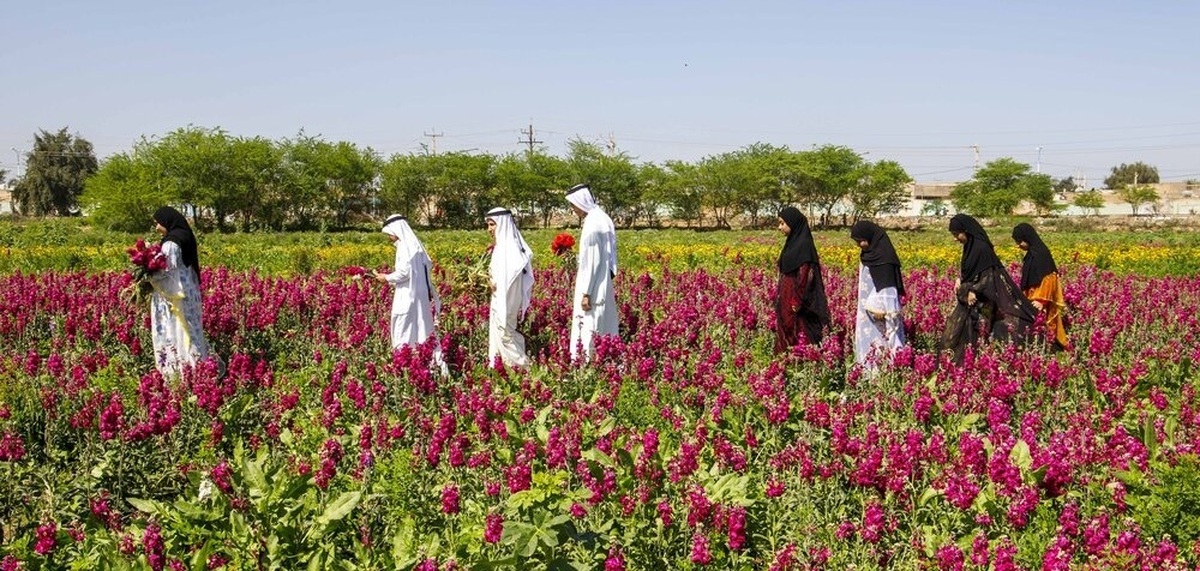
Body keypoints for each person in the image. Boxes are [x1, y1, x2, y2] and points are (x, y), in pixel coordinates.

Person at [940, 214, 1036, 363]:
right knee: (959, 332)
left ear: (966, 231)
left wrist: (975, 290)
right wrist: (960, 279)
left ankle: (976, 362)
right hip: (970, 299)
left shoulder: (981, 247)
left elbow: (988, 274)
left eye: (956, 234)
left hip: (982, 300)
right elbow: (971, 270)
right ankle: (962, 361)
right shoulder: (970, 247)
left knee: (978, 332)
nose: (955, 238)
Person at [149, 207, 219, 378]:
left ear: (167, 222)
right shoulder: (185, 236)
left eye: (158, 223)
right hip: (188, 291)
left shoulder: (171, 243)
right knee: (191, 329)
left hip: (175, 294)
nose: (157, 227)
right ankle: (199, 370)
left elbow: (167, 271)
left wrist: (148, 275)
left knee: (178, 330)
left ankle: (182, 372)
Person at [373, 215, 443, 358]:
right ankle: (428, 363)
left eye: (389, 234)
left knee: (404, 329)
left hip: (408, 296)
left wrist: (385, 277)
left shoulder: (405, 246)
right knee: (422, 329)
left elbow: (404, 273)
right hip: (419, 295)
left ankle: (406, 362)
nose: (389, 237)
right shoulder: (416, 246)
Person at [565, 184, 619, 361]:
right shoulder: (602, 217)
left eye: (573, 205)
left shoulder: (592, 224)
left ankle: (587, 362)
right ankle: (605, 358)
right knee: (604, 321)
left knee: (589, 323)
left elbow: (593, 261)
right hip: (603, 279)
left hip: (593, 284)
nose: (573, 210)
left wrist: (586, 292)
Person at [774, 207, 830, 353]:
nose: (779, 227)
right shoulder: (791, 244)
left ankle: (803, 361)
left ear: (793, 223)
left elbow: (806, 276)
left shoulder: (804, 246)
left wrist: (797, 301)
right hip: (787, 297)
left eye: (782, 223)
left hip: (798, 301)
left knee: (799, 331)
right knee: (786, 328)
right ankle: (786, 362)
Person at [850, 220, 906, 368]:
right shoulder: (868, 254)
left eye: (861, 241)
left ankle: (886, 372)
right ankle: (868, 372)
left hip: (880, 312)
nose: (859, 245)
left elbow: (888, 287)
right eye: (857, 242)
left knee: (883, 342)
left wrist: (882, 308)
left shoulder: (884, 256)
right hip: (866, 310)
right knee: (868, 342)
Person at [485, 208, 533, 368]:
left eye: (492, 224)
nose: (489, 229)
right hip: (500, 298)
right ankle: (502, 368)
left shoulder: (509, 248)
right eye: (489, 225)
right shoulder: (502, 247)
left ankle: (522, 366)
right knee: (503, 333)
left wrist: (494, 284)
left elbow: (510, 279)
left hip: (506, 299)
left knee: (505, 333)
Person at [1012, 223, 1070, 350]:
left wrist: (1041, 300)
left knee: (1046, 324)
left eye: (1020, 241)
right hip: (1031, 296)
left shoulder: (1041, 253)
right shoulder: (1031, 254)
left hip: (1041, 297)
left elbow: (1049, 278)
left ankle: (1054, 350)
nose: (1018, 245)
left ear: (1027, 238)